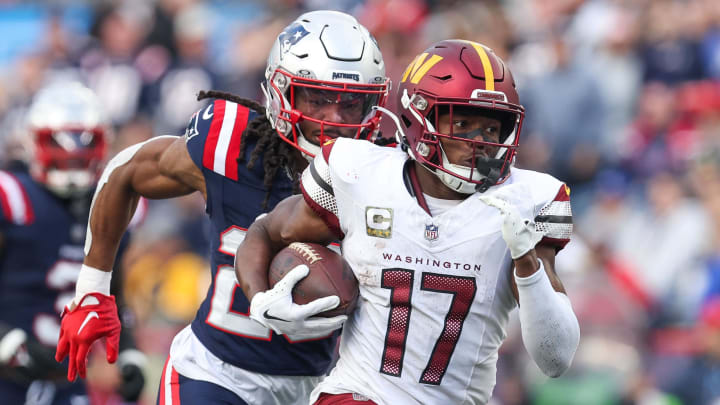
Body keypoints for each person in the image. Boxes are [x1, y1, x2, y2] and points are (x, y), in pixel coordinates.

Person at [53, 10, 390, 405]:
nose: (333, 119)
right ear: (282, 91)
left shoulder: (382, 178)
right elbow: (125, 171)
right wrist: (93, 288)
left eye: (351, 104)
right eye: (317, 98)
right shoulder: (233, 142)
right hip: (215, 375)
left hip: (319, 385)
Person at [234, 39, 581, 405]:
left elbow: (555, 359)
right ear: (418, 119)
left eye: (491, 129)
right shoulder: (360, 175)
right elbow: (266, 231)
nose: (479, 143)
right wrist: (259, 299)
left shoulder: (526, 201)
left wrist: (526, 260)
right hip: (359, 395)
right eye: (462, 123)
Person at [0, 82, 146, 404]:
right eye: (60, 143)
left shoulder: (112, 201)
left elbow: (112, 292)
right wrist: (6, 341)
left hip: (67, 383)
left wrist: (130, 352)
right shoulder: (12, 196)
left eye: (85, 142)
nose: (73, 155)